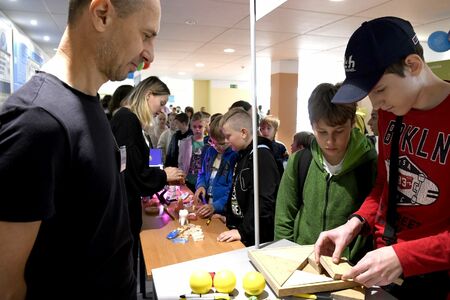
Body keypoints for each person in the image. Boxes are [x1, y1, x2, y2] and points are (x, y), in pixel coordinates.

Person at [0, 0, 161, 299]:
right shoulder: (37, 119)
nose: (149, 55)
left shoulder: (89, 104)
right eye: (146, 35)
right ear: (102, 15)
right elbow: (6, 285)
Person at [314, 17, 450, 299]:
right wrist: (355, 224)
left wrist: (404, 256)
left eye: (379, 90)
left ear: (413, 65)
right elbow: (385, 186)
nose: (375, 106)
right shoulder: (392, 113)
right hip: (382, 267)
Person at [274, 83, 377, 263]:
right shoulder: (299, 161)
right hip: (302, 262)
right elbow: (284, 217)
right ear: (312, 126)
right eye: (322, 132)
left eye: (339, 131)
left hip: (349, 266)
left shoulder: (369, 164)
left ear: (352, 123)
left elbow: (375, 220)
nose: (330, 141)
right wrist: (285, 259)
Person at [110, 76, 184, 278]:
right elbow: (132, 171)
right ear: (148, 95)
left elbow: (145, 157)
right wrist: (163, 175)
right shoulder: (128, 120)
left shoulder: (134, 121)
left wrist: (159, 171)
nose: (161, 110)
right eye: (161, 103)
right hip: (124, 207)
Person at [217, 108, 280, 246]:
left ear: (243, 133)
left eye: (228, 136)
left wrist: (243, 231)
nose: (226, 141)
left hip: (253, 238)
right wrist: (229, 218)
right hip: (240, 229)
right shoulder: (242, 154)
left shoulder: (262, 156)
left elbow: (264, 201)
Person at [194, 115, 237, 218]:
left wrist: (216, 206)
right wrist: (201, 185)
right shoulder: (210, 151)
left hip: (223, 209)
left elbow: (231, 190)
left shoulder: (234, 156)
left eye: (221, 144)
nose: (216, 146)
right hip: (207, 203)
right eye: (212, 142)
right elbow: (202, 172)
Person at [183, 112, 206, 192]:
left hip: (203, 182)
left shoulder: (208, 143)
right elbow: (181, 161)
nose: (197, 129)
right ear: (191, 127)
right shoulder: (186, 142)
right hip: (189, 179)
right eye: (194, 127)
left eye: (200, 127)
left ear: (205, 127)